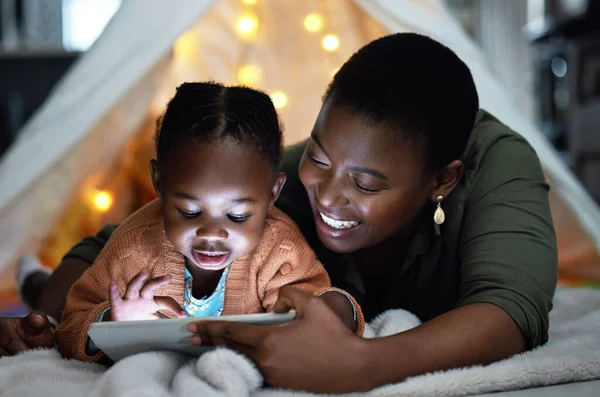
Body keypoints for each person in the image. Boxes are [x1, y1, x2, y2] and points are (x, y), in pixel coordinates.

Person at [2, 33, 557, 394]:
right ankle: (32, 279)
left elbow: (511, 310)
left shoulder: (498, 166)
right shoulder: (274, 191)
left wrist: (363, 365)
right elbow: (119, 241)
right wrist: (53, 320)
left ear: (443, 180)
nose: (329, 194)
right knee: (54, 288)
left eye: (365, 183)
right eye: (317, 155)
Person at [54, 82, 361, 362]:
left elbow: (318, 310)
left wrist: (330, 308)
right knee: (48, 290)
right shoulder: (133, 249)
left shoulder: (280, 250)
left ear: (273, 193)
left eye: (238, 216)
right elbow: (70, 325)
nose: (212, 233)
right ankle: (35, 280)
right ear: (159, 183)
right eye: (189, 211)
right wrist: (112, 322)